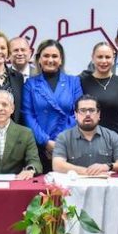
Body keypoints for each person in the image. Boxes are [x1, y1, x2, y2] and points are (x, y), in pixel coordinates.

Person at [22, 39, 83, 171]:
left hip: (68, 145)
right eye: (46, 56)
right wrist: (46, 142)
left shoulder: (74, 82)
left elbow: (79, 113)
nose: (50, 60)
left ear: (61, 60)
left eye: (55, 56)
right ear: (39, 59)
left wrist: (59, 143)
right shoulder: (30, 84)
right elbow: (28, 116)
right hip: (38, 148)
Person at [52, 95, 118, 175]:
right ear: (76, 115)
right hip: (75, 185)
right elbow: (57, 165)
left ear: (98, 114)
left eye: (91, 110)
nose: (87, 114)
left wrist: (107, 166)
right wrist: (89, 172)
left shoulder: (111, 136)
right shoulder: (63, 137)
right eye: (82, 110)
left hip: (103, 185)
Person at [79, 42, 118, 155]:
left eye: (107, 57)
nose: (104, 61)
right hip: (87, 142)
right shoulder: (82, 82)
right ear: (92, 58)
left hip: (117, 143)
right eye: (100, 57)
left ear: (113, 59)